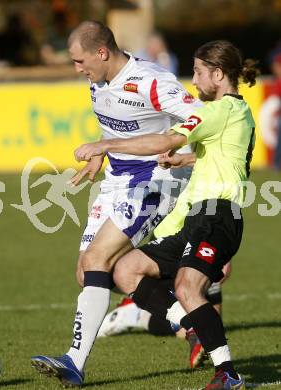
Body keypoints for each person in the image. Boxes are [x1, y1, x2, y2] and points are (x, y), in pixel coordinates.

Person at [74, 40, 258, 389]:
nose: (194, 80)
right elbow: (222, 157)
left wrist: (105, 145)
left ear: (218, 74)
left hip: (216, 215)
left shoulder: (216, 111)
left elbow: (162, 141)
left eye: (199, 72)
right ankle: (192, 324)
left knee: (187, 286)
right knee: (127, 270)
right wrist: (186, 160)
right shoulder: (237, 112)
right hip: (195, 218)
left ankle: (228, 373)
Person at [30, 20, 203, 387]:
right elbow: (116, 126)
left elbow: (196, 120)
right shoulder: (97, 81)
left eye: (79, 61)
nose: (78, 70)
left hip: (155, 181)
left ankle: (74, 364)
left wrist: (109, 148)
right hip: (117, 180)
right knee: (88, 272)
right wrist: (100, 153)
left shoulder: (152, 80)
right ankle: (192, 324)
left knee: (98, 260)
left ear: (102, 52)